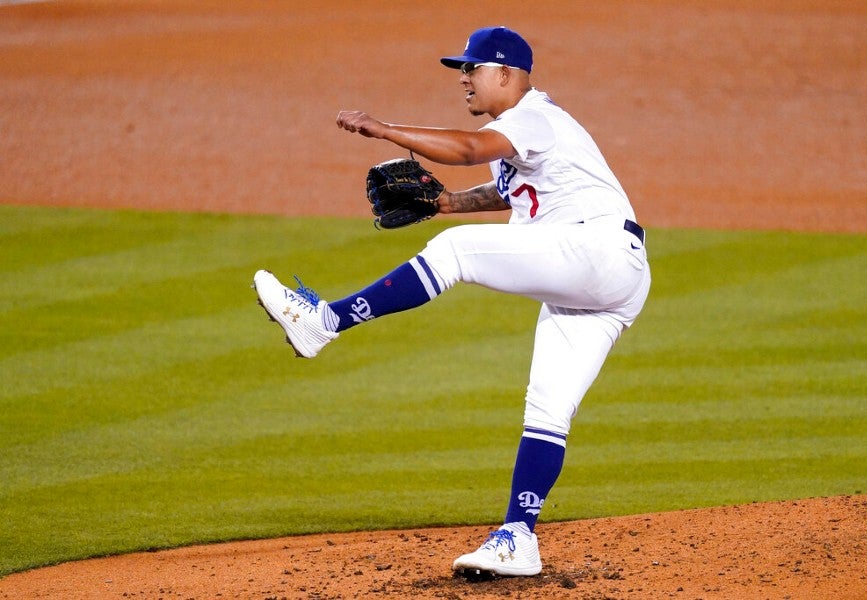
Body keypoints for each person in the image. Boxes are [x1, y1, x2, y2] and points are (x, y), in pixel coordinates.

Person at [253, 25, 650, 578]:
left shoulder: (533, 117)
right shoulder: (520, 134)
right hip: (603, 278)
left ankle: (326, 321)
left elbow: (466, 149)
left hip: (599, 251)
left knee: (458, 251)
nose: (463, 78)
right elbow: (510, 191)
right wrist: (446, 202)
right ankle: (519, 536)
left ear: (506, 74)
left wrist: (387, 131)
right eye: (460, 68)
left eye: (473, 68)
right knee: (547, 409)